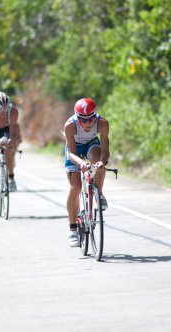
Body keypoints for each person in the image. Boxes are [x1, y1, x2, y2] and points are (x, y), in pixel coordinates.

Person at [64, 98, 110, 247]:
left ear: (95, 116)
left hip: (91, 145)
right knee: (75, 187)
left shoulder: (102, 123)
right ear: (77, 118)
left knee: (98, 163)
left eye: (90, 119)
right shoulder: (70, 125)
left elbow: (105, 151)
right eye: (82, 120)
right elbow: (70, 153)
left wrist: (101, 162)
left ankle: (99, 193)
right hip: (75, 150)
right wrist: (81, 163)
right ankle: (72, 229)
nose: (87, 123)